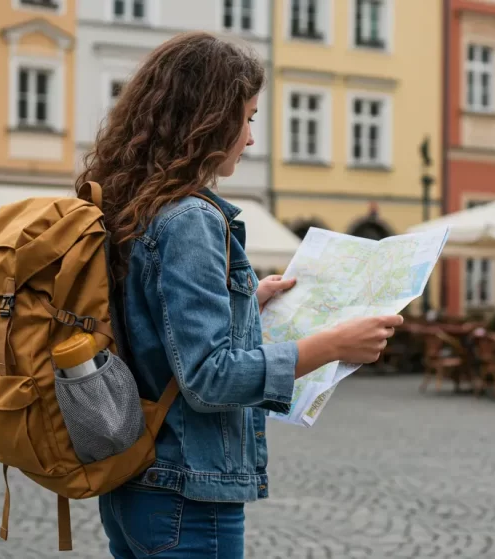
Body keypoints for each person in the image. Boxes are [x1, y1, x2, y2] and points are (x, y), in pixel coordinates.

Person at [77, 32, 402, 558]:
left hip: (136, 483)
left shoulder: (132, 207)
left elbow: (153, 329)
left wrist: (248, 300)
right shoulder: (190, 219)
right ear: (208, 117)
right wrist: (333, 345)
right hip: (186, 492)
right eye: (248, 117)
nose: (251, 138)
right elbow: (208, 377)